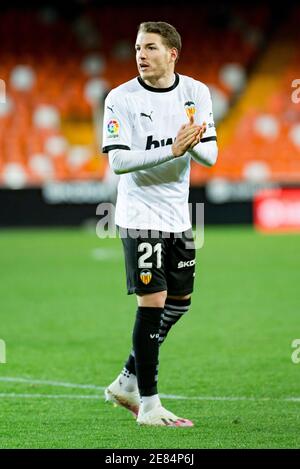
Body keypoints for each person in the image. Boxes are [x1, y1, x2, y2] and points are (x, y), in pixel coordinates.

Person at [102, 21, 218, 427]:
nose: (141, 54)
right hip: (139, 216)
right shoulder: (121, 97)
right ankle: (149, 406)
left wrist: (194, 144)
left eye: (150, 47)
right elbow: (117, 161)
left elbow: (212, 156)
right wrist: (173, 147)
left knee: (180, 303)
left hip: (177, 215)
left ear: (172, 54)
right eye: (137, 47)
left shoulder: (196, 93)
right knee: (152, 305)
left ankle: (127, 381)